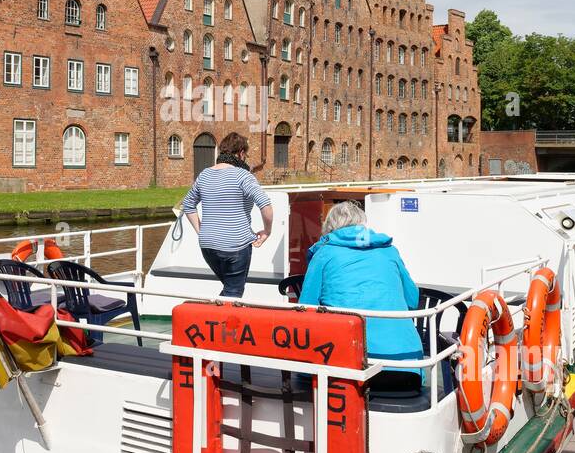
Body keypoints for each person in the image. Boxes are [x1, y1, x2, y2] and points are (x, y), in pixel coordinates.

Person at [298, 201, 423, 386]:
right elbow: (412, 299)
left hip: (347, 369)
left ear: (329, 227)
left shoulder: (325, 253)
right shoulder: (389, 251)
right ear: (362, 224)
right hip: (405, 368)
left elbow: (305, 307)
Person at [181, 132, 274, 298]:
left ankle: (221, 318)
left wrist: (201, 231)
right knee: (233, 292)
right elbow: (265, 204)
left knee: (229, 288)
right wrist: (267, 231)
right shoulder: (243, 176)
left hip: (208, 246)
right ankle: (215, 321)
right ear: (241, 153)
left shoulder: (205, 174)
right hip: (235, 246)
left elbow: (188, 204)